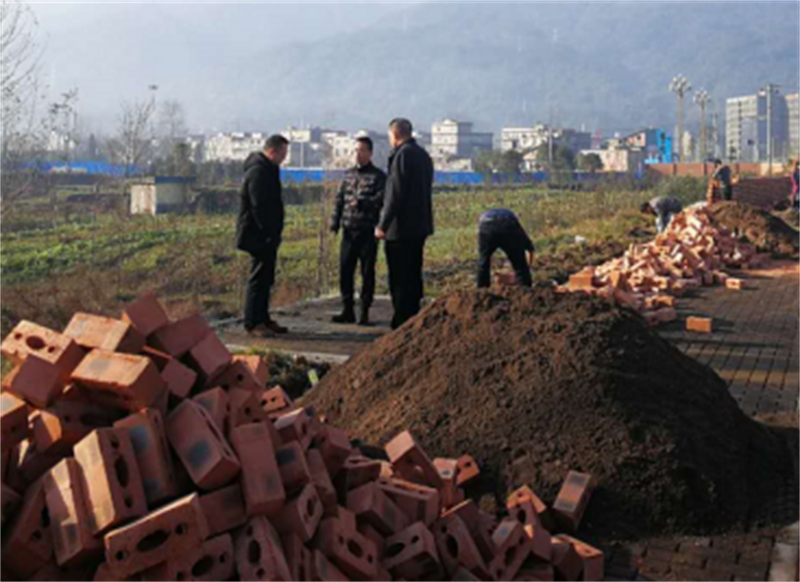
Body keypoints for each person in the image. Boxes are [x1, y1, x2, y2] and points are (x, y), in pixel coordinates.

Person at [375, 118, 434, 330]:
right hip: (420, 226)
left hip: (400, 228)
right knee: (413, 273)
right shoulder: (423, 155)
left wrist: (383, 224)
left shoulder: (402, 155)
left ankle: (401, 320)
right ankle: (413, 317)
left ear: (395, 134)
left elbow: (395, 193)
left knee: (399, 277)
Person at [235, 134, 290, 337]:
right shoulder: (258, 171)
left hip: (269, 235)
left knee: (267, 278)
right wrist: (268, 232)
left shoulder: (270, 169)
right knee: (258, 278)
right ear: (272, 151)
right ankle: (252, 321)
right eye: (283, 154)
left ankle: (264, 318)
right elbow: (259, 206)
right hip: (257, 235)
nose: (284, 158)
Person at [330, 136, 386, 325]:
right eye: (355, 150)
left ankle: (364, 311)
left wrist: (363, 203)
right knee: (345, 271)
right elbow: (339, 200)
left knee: (367, 273)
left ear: (370, 153)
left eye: (361, 150)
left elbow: (382, 200)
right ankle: (347, 310)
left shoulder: (378, 176)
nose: (357, 154)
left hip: (367, 232)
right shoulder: (348, 175)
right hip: (348, 231)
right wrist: (334, 222)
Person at [476, 209, 534, 288]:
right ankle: (525, 288)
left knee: (483, 261)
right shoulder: (516, 226)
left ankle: (482, 289)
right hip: (508, 226)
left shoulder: (485, 218)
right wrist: (526, 268)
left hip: (485, 225)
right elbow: (530, 249)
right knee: (519, 262)